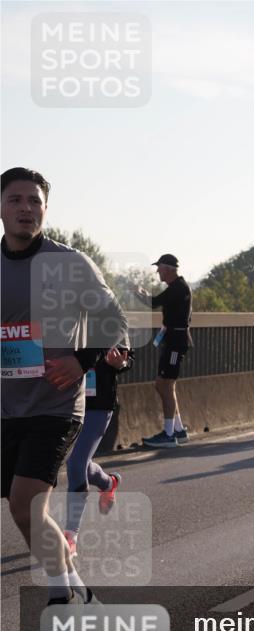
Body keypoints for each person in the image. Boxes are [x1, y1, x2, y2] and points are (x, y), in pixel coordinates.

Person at [2, 167, 127, 604]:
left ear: (45, 210)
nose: (26, 209)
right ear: (1, 207)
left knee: (26, 504)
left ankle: (61, 597)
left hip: (56, 406)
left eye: (34, 201)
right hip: (7, 408)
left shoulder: (68, 262)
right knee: (25, 513)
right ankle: (78, 587)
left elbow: (112, 317)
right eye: (16, 200)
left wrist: (82, 360)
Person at [63, 342, 133, 557]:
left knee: (76, 464)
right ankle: (108, 483)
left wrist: (120, 363)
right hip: (66, 402)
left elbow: (127, 359)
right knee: (78, 462)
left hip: (98, 406)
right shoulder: (63, 317)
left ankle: (70, 536)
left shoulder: (111, 318)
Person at [136, 254, 192, 448]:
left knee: (165, 384)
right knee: (165, 385)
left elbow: (153, 303)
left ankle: (169, 434)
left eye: (159, 268)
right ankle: (178, 429)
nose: (157, 271)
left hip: (175, 341)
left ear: (167, 269)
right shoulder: (177, 288)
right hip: (172, 339)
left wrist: (138, 293)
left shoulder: (178, 288)